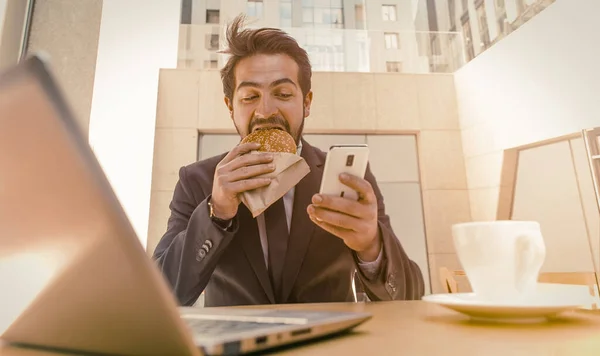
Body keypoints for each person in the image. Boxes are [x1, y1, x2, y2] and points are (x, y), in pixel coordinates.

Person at [153, 15, 424, 307]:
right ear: (230, 107)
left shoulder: (345, 177)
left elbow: (409, 295)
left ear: (306, 103)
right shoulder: (198, 180)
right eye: (249, 97)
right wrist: (216, 212)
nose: (266, 110)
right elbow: (161, 295)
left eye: (282, 94)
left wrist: (372, 246)